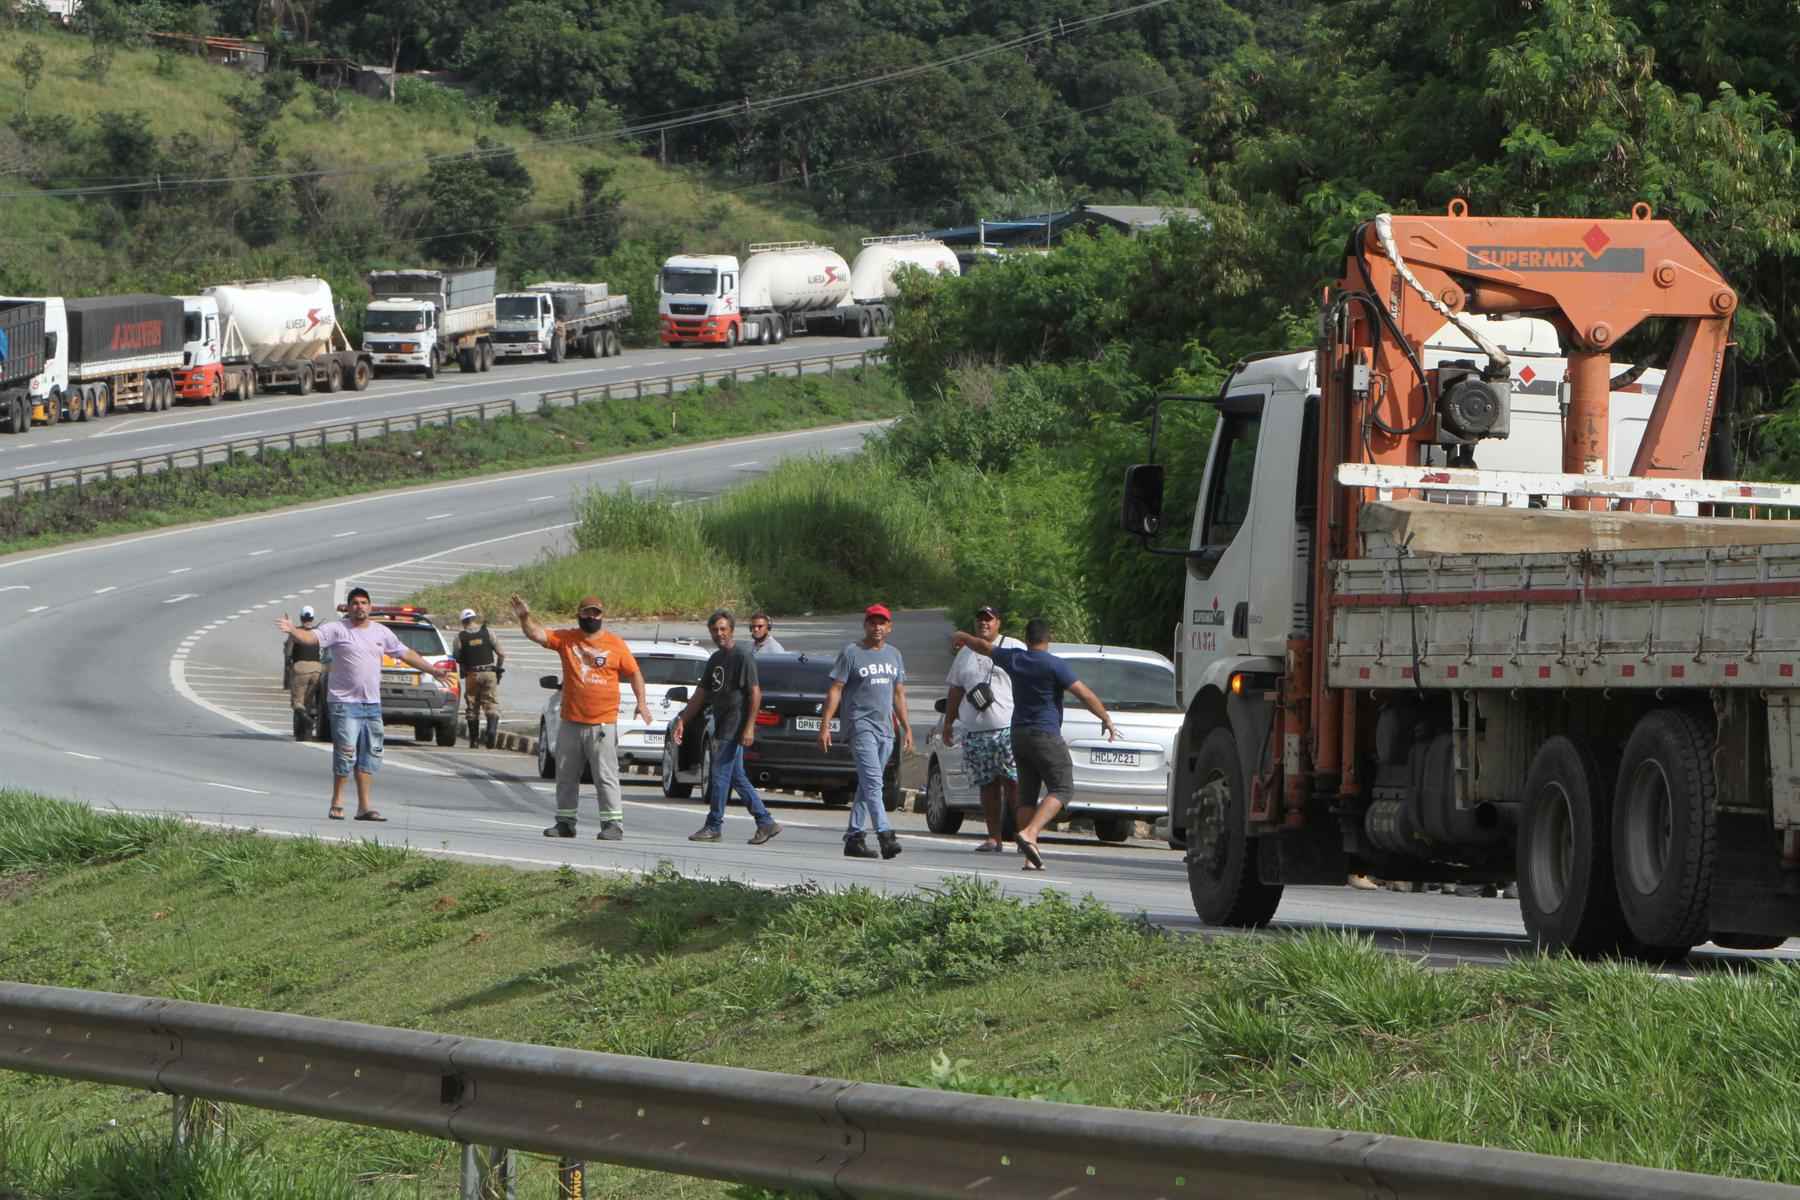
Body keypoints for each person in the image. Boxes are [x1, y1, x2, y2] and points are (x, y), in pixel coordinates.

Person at [949, 618, 1118, 871]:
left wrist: (963, 634)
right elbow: (1084, 694)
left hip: (1018, 734)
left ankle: (1030, 855)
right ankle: (1030, 832)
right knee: (1063, 788)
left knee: (1027, 796)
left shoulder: (1015, 658)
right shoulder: (1055, 665)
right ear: (1047, 640)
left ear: (1026, 639)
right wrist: (1105, 717)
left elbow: (983, 647)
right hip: (1045, 735)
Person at [277, 587, 449, 822]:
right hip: (344, 703)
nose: (359, 606)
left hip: (371, 704)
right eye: (355, 603)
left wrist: (433, 670)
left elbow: (405, 654)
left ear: (370, 606)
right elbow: (312, 638)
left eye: (363, 602)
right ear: (348, 607)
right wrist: (293, 630)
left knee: (370, 755)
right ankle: (337, 802)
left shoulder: (381, 632)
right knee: (346, 753)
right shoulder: (337, 629)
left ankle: (364, 807)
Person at [512, 593, 649, 841]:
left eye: (595, 612)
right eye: (587, 612)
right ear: (579, 614)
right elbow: (537, 634)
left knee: (605, 775)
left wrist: (642, 703)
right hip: (571, 721)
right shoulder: (567, 639)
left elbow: (635, 673)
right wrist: (525, 616)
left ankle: (612, 824)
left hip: (602, 722)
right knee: (565, 775)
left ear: (602, 615)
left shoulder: (616, 644)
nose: (591, 617)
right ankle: (565, 822)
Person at [674, 609, 782, 845]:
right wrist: (683, 719)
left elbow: (755, 693)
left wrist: (749, 727)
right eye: (715, 630)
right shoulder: (715, 659)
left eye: (723, 629)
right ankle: (765, 821)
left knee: (720, 775)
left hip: (735, 725)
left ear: (731, 630)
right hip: (721, 723)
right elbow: (701, 694)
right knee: (736, 776)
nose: (719, 633)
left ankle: (714, 825)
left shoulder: (742, 656)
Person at [819, 604, 912, 860]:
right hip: (860, 726)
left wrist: (907, 727)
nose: (878, 627)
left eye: (882, 623)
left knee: (867, 784)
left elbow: (898, 694)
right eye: (873, 622)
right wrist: (825, 724)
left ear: (890, 627)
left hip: (886, 730)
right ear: (865, 625)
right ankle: (885, 834)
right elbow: (836, 689)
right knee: (874, 782)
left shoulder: (894, 655)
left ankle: (854, 838)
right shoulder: (851, 653)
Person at [941, 604, 1026, 852]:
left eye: (989, 619)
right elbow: (956, 689)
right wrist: (948, 722)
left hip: (1007, 728)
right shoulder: (964, 653)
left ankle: (1024, 836)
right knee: (987, 785)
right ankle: (994, 837)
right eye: (980, 619)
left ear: (998, 622)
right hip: (974, 731)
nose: (984, 623)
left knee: (1014, 784)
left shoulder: (1013, 647)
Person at [453, 607, 506, 748]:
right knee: (491, 703)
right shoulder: (488, 632)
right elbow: (501, 654)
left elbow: (456, 657)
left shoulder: (460, 637)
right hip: (490, 672)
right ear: (474, 619)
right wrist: (499, 670)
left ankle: (474, 741)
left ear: (463, 622)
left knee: (472, 706)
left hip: (472, 674)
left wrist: (463, 667)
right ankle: (491, 731)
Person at [285, 605, 324, 738]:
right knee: (308, 702)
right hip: (317, 669)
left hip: (300, 668)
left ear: (301, 618)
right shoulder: (318, 633)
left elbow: (288, 652)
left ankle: (307, 722)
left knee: (297, 703)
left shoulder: (296, 633)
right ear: (312, 618)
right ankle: (305, 733)